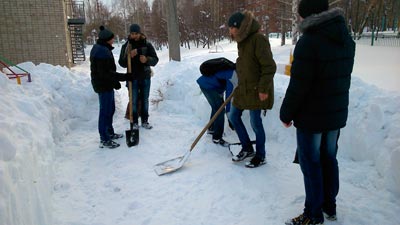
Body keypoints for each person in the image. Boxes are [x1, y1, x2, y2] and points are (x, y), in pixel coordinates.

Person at [280, 0, 355, 224]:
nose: (300, 20)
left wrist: (286, 113)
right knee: (329, 158)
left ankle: (313, 214)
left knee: (311, 163)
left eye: (301, 16)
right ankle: (329, 206)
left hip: (312, 117)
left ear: (308, 15)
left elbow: (299, 85)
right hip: (335, 114)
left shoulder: (309, 42)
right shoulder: (345, 38)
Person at [227, 11, 276, 168]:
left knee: (256, 123)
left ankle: (261, 156)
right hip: (243, 89)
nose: (230, 31)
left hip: (256, 90)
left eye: (231, 28)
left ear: (239, 27)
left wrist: (263, 89)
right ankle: (247, 148)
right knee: (234, 116)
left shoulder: (258, 40)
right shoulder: (242, 42)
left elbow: (269, 67)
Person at [90, 26, 133, 149]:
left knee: (111, 109)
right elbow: (105, 73)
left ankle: (109, 132)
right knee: (105, 112)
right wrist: (124, 77)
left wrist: (115, 82)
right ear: (106, 39)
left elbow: (107, 72)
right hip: (103, 85)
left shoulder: (103, 48)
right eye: (112, 39)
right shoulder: (101, 52)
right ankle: (104, 138)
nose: (113, 40)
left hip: (106, 83)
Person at [118, 24, 159, 129]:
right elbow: (122, 63)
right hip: (133, 78)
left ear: (140, 33)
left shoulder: (147, 45)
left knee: (145, 99)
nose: (134, 36)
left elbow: (155, 59)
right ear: (130, 34)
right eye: (132, 34)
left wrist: (147, 60)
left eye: (136, 33)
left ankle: (145, 121)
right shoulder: (126, 46)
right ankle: (134, 122)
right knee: (133, 100)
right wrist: (126, 56)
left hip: (145, 77)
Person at [196, 59, 237, 147]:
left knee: (216, 107)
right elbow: (228, 99)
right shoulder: (233, 75)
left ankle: (211, 129)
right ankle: (217, 137)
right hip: (209, 87)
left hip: (206, 85)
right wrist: (230, 117)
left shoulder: (232, 70)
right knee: (220, 109)